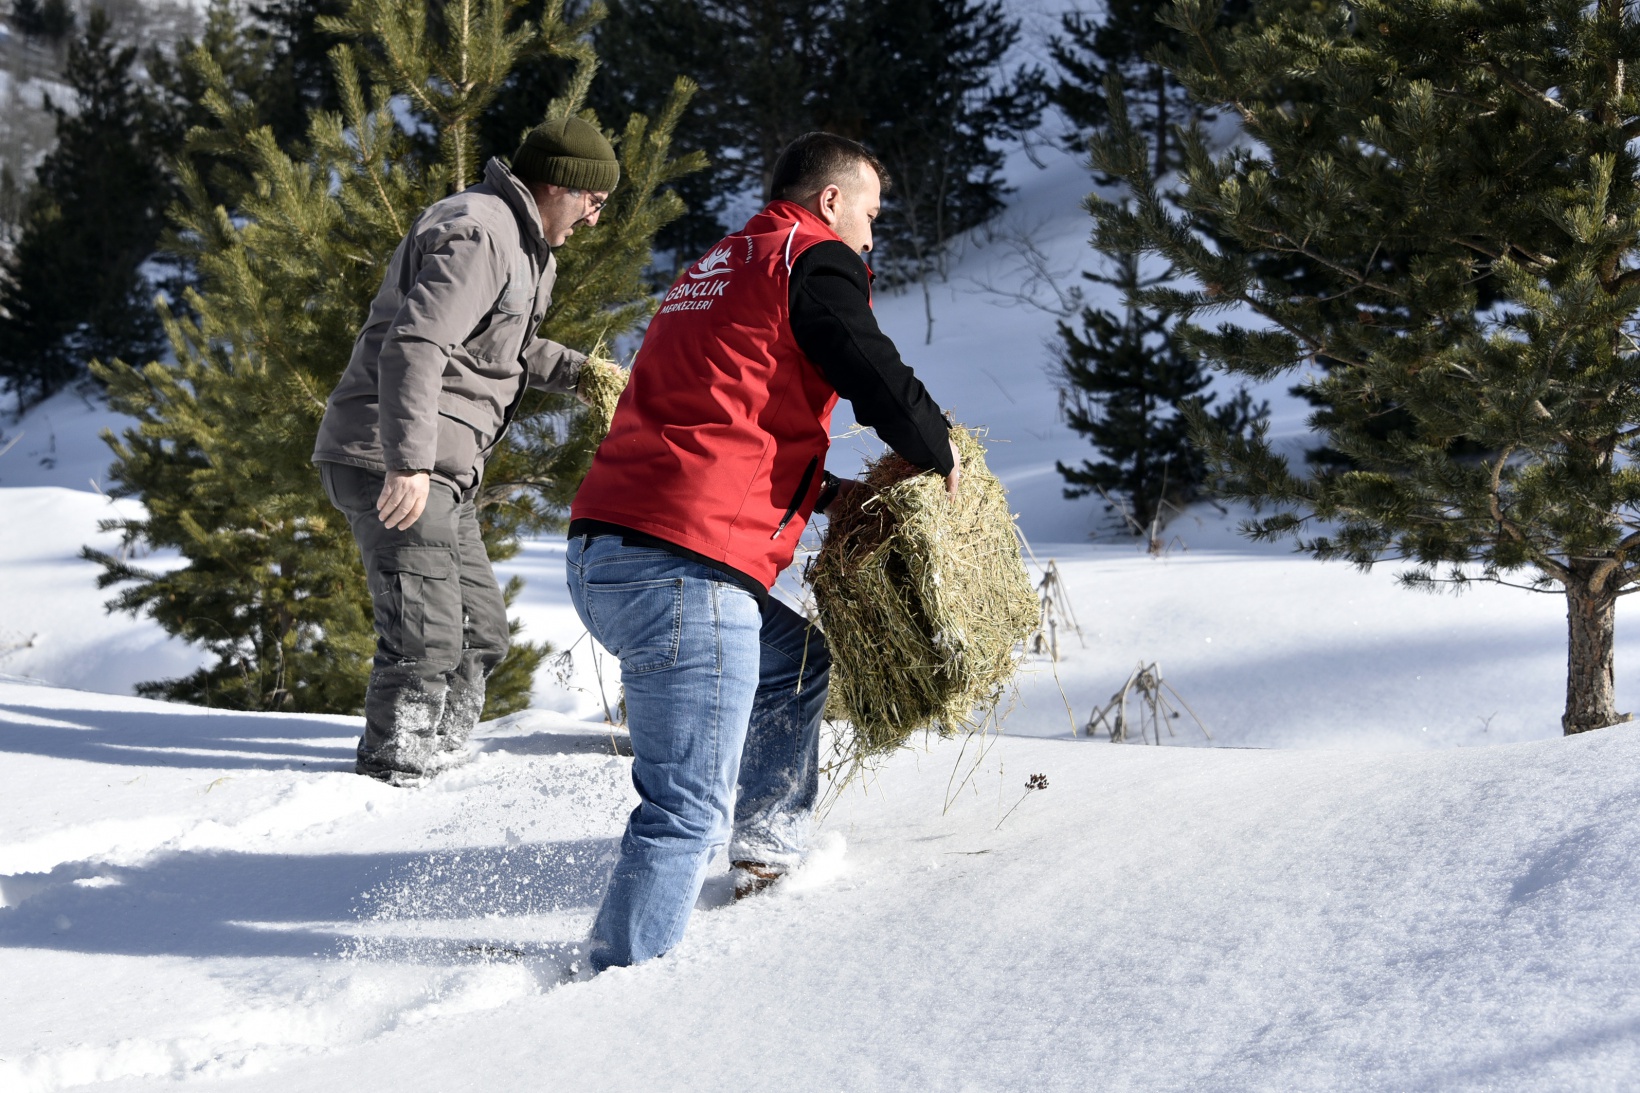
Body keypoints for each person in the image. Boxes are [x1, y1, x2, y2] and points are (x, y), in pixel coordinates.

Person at [566, 131, 960, 971]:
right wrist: (938, 446)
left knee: (795, 665)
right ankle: (615, 986)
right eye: (870, 214)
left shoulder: (720, 267)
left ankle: (768, 853)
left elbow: (714, 419)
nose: (870, 236)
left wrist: (827, 496)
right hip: (683, 572)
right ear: (830, 202)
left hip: (607, 552)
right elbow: (869, 365)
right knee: (683, 806)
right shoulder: (810, 257)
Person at [312, 117, 619, 786]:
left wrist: (585, 375)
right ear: (561, 186)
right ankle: (394, 773)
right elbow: (417, 343)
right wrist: (409, 462)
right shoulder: (481, 231)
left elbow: (496, 344)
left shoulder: (525, 244)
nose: (596, 220)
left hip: (444, 468)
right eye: (594, 203)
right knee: (426, 641)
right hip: (391, 455)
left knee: (480, 634)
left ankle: (441, 759)